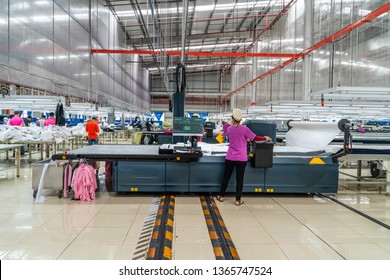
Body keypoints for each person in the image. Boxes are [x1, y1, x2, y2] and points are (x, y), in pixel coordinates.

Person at [216, 108, 271, 206]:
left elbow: (224, 130)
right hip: (241, 158)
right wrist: (265, 137)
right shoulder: (244, 129)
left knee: (226, 177)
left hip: (230, 157)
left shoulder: (229, 128)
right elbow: (255, 138)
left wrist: (229, 123)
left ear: (232, 118)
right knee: (239, 179)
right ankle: (238, 200)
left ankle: (221, 196)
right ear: (241, 119)